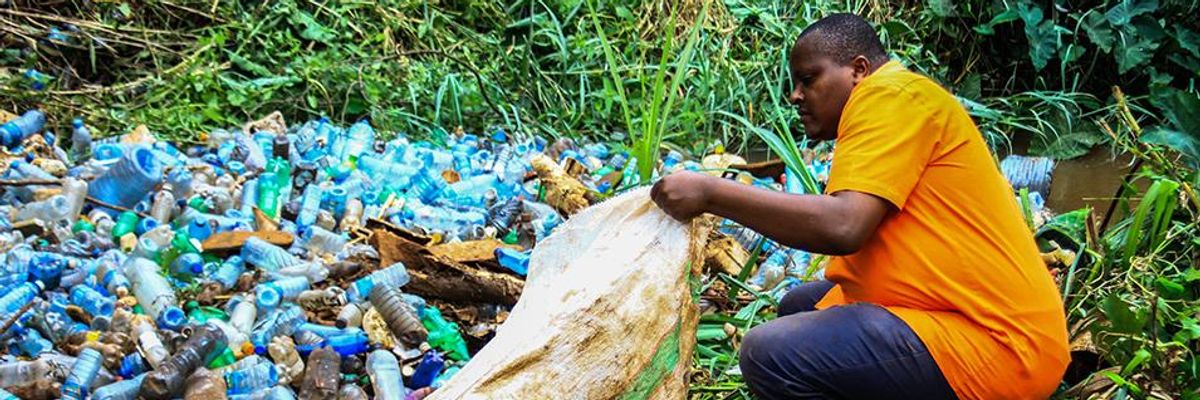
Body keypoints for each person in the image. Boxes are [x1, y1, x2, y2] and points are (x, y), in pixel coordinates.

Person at [651, 13, 1070, 400]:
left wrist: (712, 193)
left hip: (1002, 347)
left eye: (808, 79)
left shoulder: (890, 96)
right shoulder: (894, 103)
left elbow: (843, 227)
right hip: (984, 325)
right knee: (799, 305)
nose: (796, 96)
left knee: (768, 353)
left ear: (858, 70)